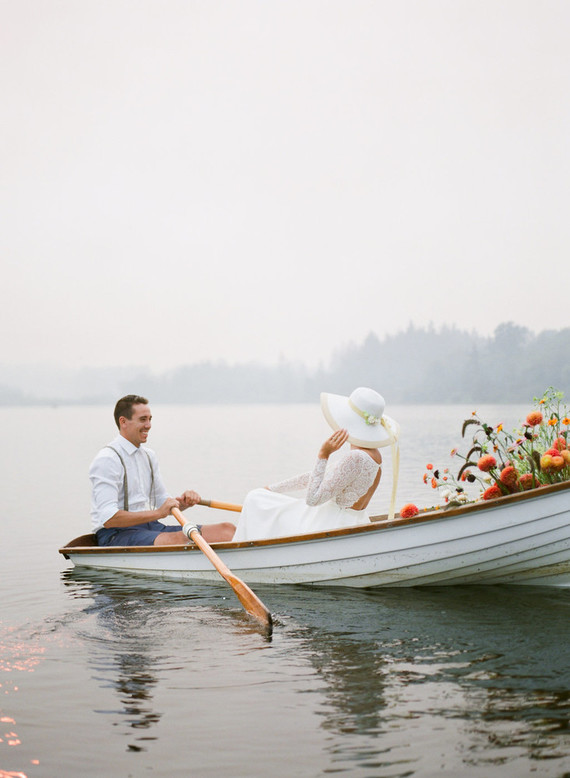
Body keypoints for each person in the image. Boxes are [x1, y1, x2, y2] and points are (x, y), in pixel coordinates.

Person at [232, 387, 399, 542]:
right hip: (353, 520)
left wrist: (323, 455)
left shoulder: (356, 457)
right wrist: (272, 488)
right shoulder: (375, 455)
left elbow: (312, 499)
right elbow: (318, 477)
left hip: (330, 523)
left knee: (254, 498)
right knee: (261, 495)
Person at [89, 394, 235, 546]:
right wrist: (159, 513)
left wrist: (183, 503)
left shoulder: (149, 456)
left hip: (149, 527)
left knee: (227, 530)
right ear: (123, 422)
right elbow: (108, 518)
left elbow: (162, 502)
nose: (149, 425)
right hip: (115, 534)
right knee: (182, 539)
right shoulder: (107, 459)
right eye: (143, 419)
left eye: (150, 419)